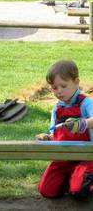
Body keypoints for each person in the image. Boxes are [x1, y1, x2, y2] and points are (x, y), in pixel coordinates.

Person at [36, 59, 93, 199]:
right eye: (55, 88)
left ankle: (80, 182)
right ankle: (72, 179)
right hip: (62, 157)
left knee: (79, 192)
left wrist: (83, 124)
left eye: (63, 86)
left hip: (85, 156)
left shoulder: (86, 103)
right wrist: (47, 138)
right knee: (46, 190)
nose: (59, 91)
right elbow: (54, 132)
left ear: (76, 82)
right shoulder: (56, 109)